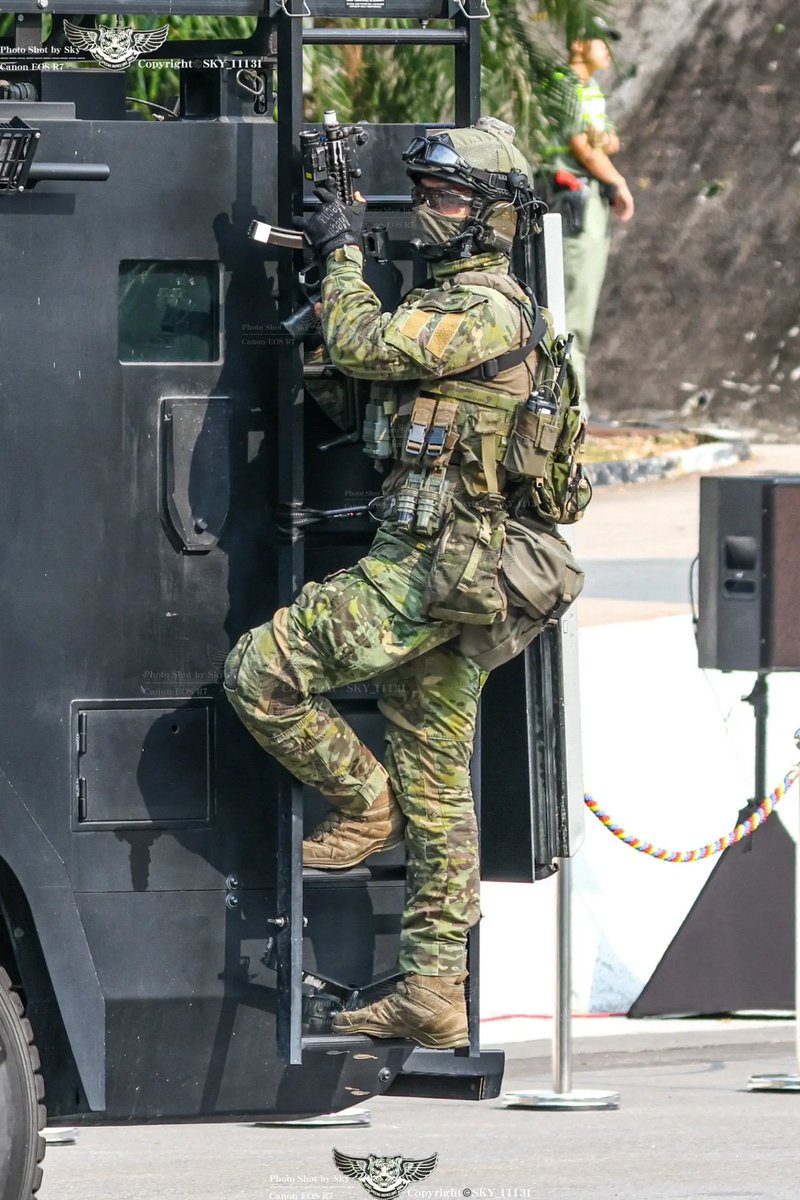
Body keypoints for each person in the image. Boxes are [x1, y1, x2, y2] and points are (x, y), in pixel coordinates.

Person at [224, 119, 584, 1050]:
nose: (432, 211)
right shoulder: (461, 305)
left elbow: (360, 341)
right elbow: (370, 394)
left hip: (432, 568)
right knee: (439, 793)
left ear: (497, 218)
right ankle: (433, 990)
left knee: (261, 671)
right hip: (451, 566)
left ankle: (359, 799)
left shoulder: (485, 310)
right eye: (428, 193)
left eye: (453, 198)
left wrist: (340, 250)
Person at [549, 17, 635, 401]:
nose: (608, 50)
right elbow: (585, 146)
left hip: (589, 203)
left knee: (583, 310)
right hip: (573, 203)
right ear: (579, 43)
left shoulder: (590, 90)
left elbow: (609, 139)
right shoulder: (565, 86)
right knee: (570, 309)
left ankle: (574, 403)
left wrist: (599, 144)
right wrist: (619, 182)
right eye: (602, 40)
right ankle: (570, 405)